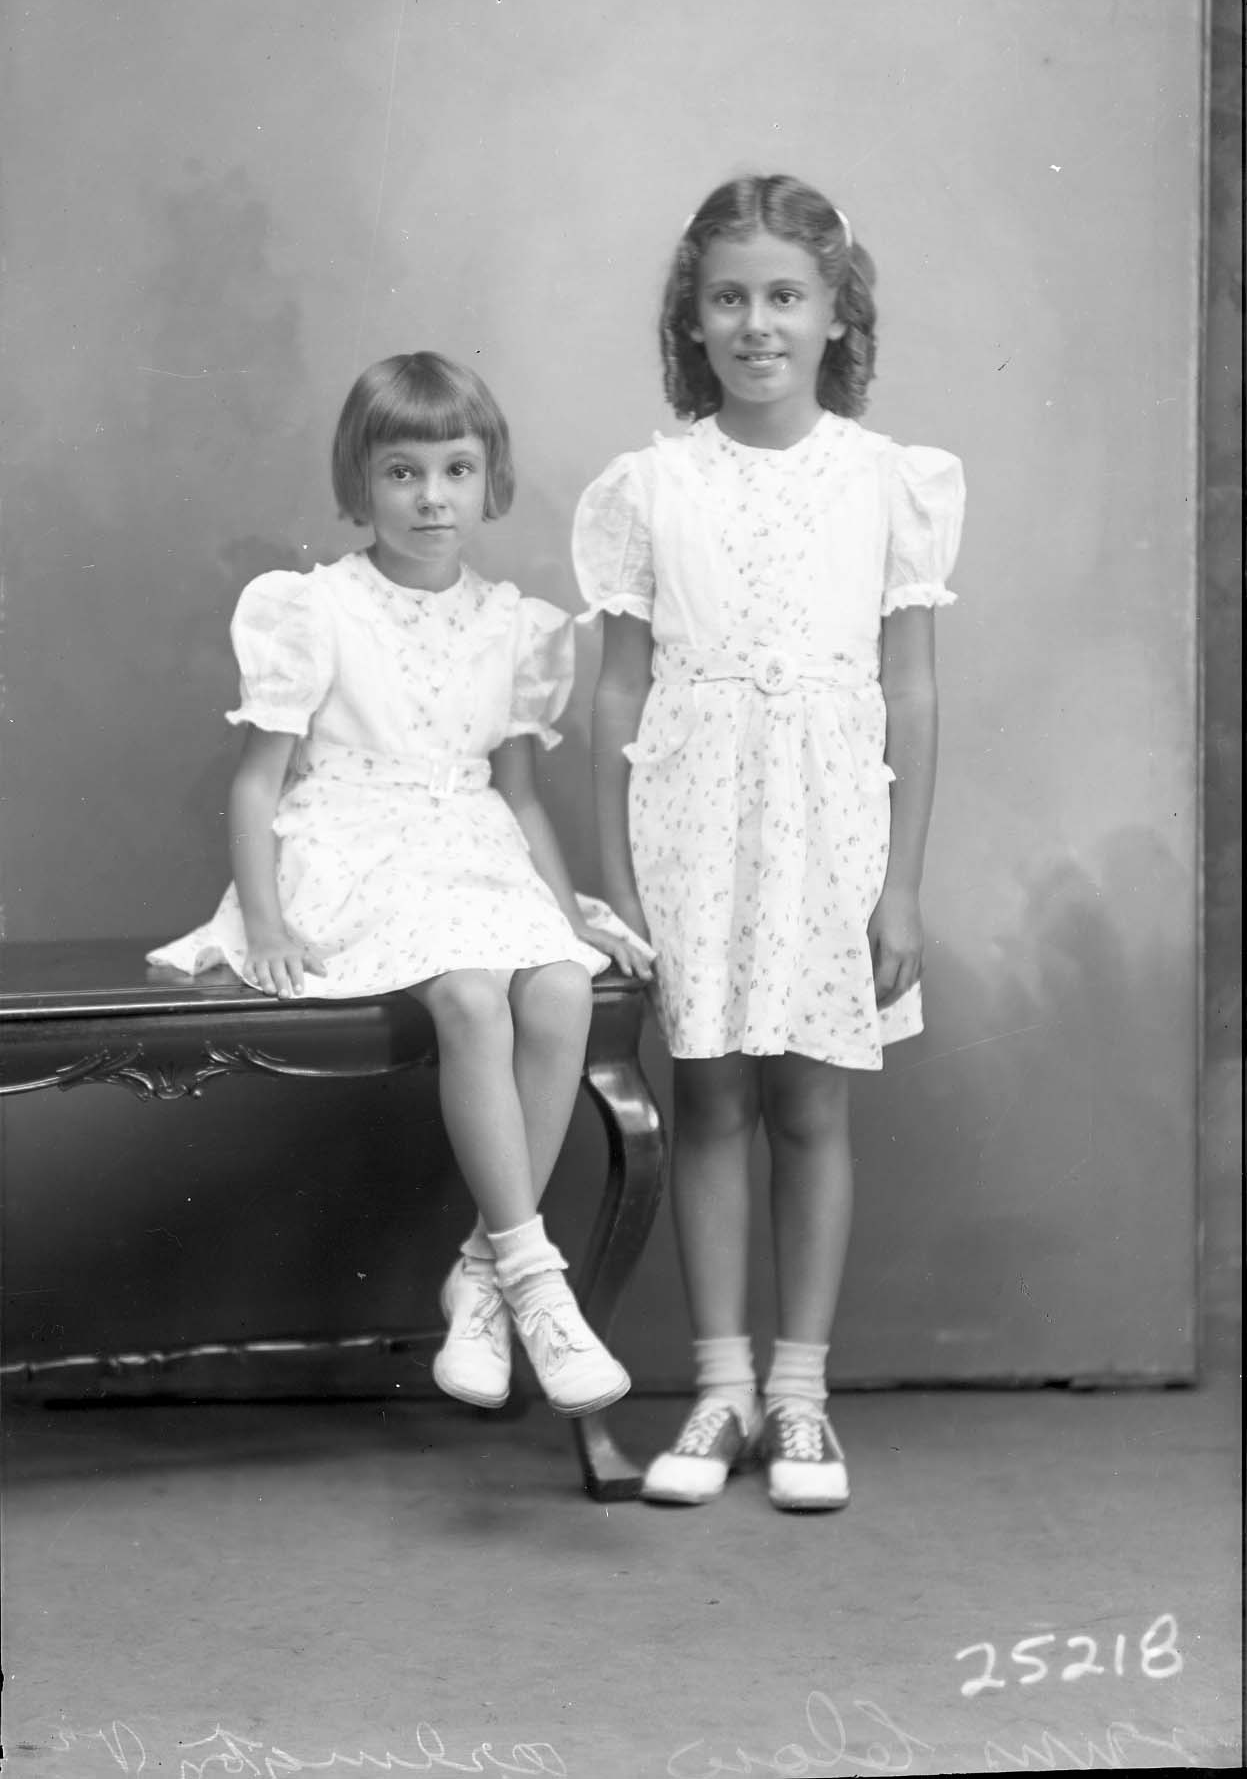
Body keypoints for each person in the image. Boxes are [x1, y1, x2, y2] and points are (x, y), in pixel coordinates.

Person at [150, 351, 652, 1423]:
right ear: (360, 482)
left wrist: (565, 912)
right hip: (351, 847)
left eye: (456, 470)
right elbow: (258, 783)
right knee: (469, 994)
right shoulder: (315, 608)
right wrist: (266, 920)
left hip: (473, 849)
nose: (431, 497)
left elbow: (517, 796)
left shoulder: (512, 625)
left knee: (561, 984)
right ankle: (535, 1284)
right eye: (402, 472)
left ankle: (484, 1272)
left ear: (488, 480)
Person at [573, 175, 964, 1511]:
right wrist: (615, 880)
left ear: (834, 314)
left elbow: (910, 689)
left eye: (784, 296)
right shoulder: (650, 486)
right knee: (709, 1102)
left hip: (828, 820)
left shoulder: (886, 481)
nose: (756, 324)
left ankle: (799, 1392)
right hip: (691, 821)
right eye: (728, 298)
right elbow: (616, 693)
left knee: (806, 1103)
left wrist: (899, 884)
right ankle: (720, 1386)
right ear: (691, 318)